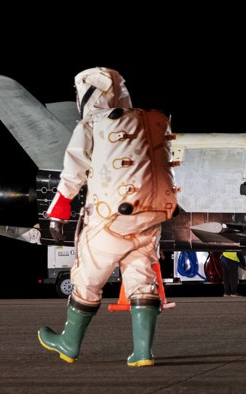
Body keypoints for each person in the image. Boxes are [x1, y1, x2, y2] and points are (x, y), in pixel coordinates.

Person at [38, 67, 178, 367]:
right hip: (150, 215)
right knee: (141, 278)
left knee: (87, 278)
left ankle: (69, 343)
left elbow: (74, 170)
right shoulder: (149, 121)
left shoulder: (93, 123)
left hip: (110, 217)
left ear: (88, 94)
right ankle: (143, 353)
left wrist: (58, 208)